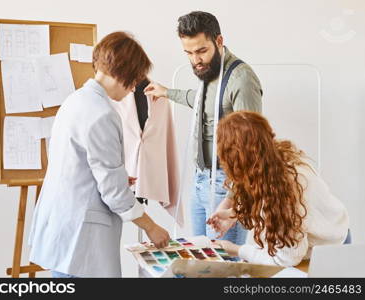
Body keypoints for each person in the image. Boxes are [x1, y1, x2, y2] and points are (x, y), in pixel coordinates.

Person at [28, 32, 170, 278]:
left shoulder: (74, 101)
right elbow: (114, 193)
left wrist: (113, 179)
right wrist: (152, 227)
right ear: (123, 73)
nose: (134, 88)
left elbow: (75, 164)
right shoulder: (102, 114)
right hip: (80, 237)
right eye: (134, 80)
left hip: (62, 226)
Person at [144, 11, 262, 245]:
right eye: (188, 53)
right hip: (200, 181)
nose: (195, 60)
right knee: (200, 262)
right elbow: (202, 101)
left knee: (224, 268)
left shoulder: (241, 80)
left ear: (219, 41)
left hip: (226, 185)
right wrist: (168, 92)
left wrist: (232, 201)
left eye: (201, 51)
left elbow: (252, 150)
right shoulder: (209, 72)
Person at [208, 111, 349, 267]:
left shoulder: (286, 188)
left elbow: (286, 259)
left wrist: (237, 250)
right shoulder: (270, 163)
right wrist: (235, 213)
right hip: (319, 243)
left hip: (330, 249)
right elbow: (266, 204)